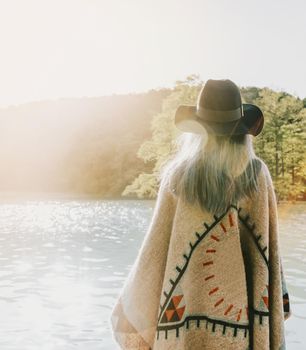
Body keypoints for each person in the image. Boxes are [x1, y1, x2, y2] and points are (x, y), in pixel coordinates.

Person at [109, 79, 291, 349]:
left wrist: (129, 315)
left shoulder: (178, 177)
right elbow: (268, 259)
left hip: (184, 333)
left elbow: (153, 257)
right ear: (241, 131)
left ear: (198, 129)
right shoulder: (257, 175)